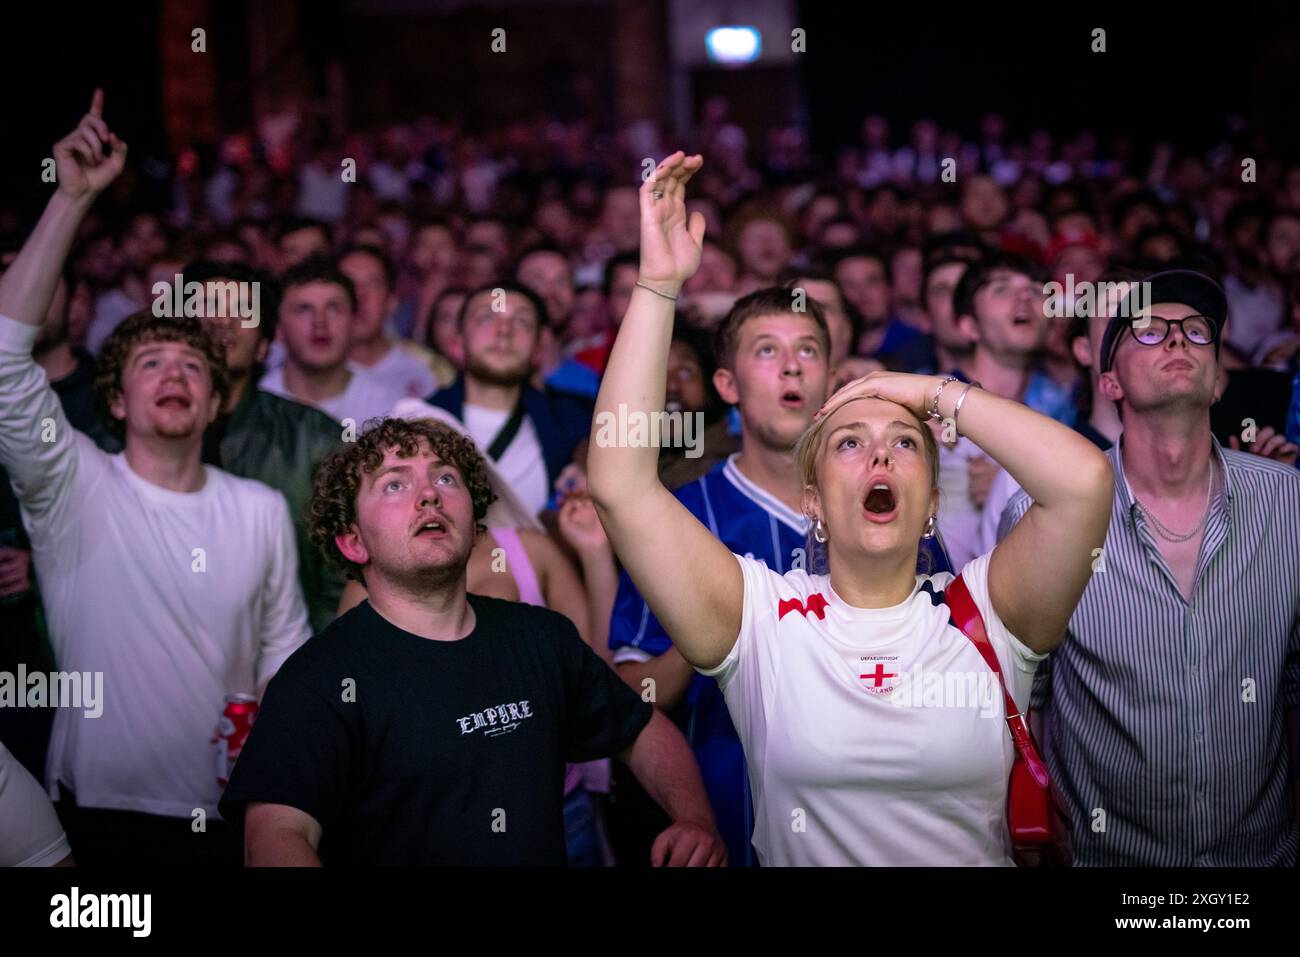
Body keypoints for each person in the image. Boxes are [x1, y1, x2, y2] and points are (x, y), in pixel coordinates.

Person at [588, 151, 1112, 866]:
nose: (880, 456)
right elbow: (620, 482)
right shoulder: (761, 620)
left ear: (930, 500)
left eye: (904, 443)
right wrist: (656, 287)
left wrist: (932, 391)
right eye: (849, 443)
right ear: (814, 502)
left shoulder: (989, 610)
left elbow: (1084, 481)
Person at [0, 92, 311, 865]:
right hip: (97, 820)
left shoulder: (261, 506)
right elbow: (4, 356)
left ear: (213, 401)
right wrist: (70, 199)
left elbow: (286, 665)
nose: (173, 372)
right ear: (115, 397)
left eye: (191, 366)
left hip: (232, 818)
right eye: (149, 362)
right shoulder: (74, 485)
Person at [219, 416, 726, 866]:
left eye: (445, 477)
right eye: (395, 485)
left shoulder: (540, 638)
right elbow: (274, 837)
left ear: (474, 517)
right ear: (353, 540)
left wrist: (695, 818)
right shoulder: (319, 680)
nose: (429, 494)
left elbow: (641, 729)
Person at [999, 270, 1300, 866]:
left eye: (1195, 331)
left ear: (1218, 380)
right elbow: (1020, 700)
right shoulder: (1046, 516)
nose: (1176, 339)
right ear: (1108, 380)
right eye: (1148, 330)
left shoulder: (1286, 503)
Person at [183, 259, 348, 632]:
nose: (221, 321)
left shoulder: (317, 439)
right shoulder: (129, 434)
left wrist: (308, 665)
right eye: (206, 307)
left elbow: (340, 576)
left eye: (240, 311)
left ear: (263, 346)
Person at [425, 282, 590, 517]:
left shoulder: (573, 417)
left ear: (538, 349)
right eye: (486, 318)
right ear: (457, 344)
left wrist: (591, 462)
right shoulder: (418, 420)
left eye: (521, 321)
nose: (504, 331)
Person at [259, 256, 409, 427]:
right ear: (279, 327)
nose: (320, 322)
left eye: (333, 308)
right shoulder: (254, 410)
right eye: (304, 309)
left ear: (353, 321)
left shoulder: (390, 410)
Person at [338, 244, 454, 397]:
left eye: (373, 285)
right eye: (348, 285)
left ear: (391, 302)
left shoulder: (431, 370)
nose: (359, 296)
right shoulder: (307, 370)